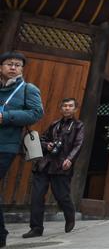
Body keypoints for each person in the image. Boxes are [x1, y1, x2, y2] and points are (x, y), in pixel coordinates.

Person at [0, 51, 44, 247]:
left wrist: (6, 117)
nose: (13, 67)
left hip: (6, 145)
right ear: (1, 67)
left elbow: (36, 113)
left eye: (17, 65)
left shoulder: (28, 89)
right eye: (9, 64)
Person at [23, 97, 83, 238]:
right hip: (44, 164)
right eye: (64, 106)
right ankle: (36, 228)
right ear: (61, 108)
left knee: (61, 196)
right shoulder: (54, 124)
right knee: (37, 196)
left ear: (75, 109)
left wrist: (70, 159)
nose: (67, 108)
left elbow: (78, 144)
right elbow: (43, 139)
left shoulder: (79, 126)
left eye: (70, 106)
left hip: (61, 166)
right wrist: (47, 145)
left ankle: (70, 214)